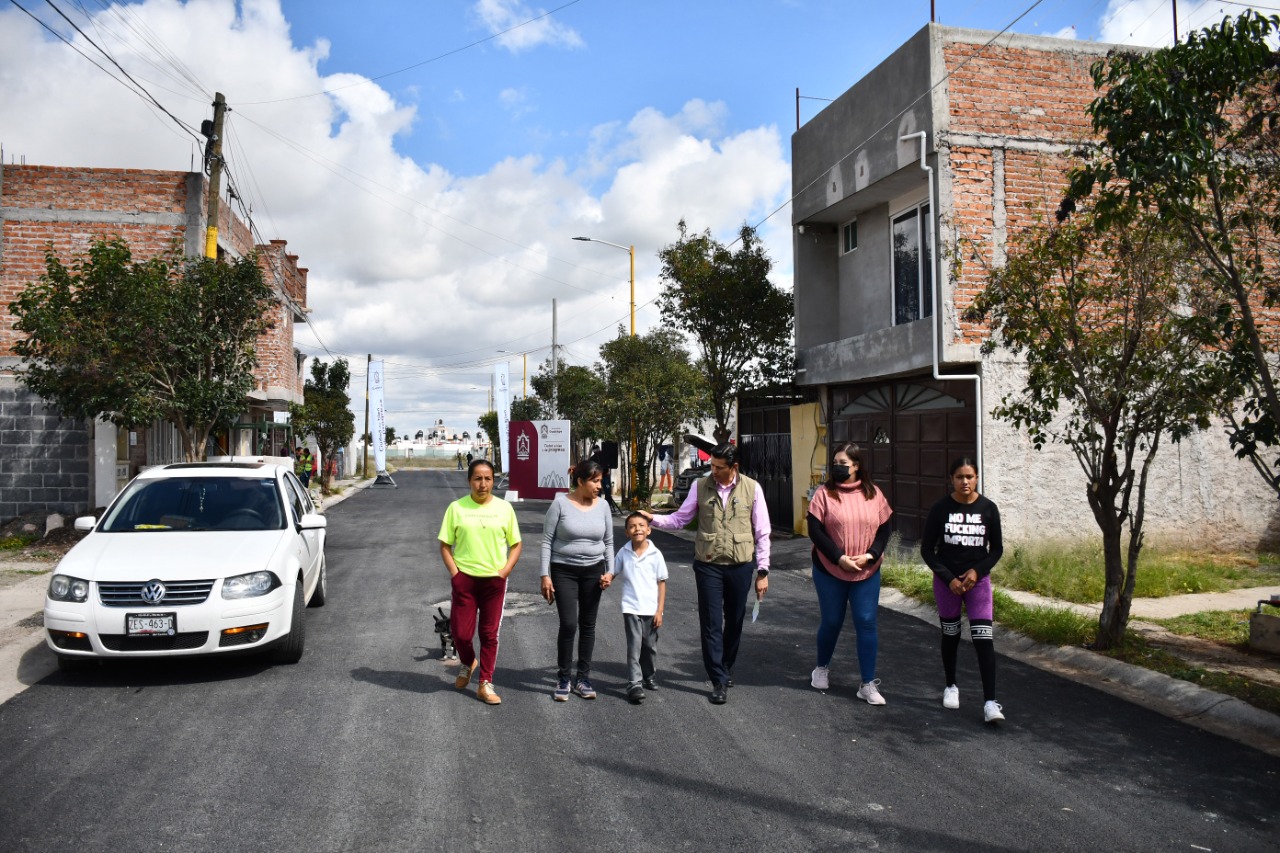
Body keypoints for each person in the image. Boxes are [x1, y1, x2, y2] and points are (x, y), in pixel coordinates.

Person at [643, 443, 770, 705]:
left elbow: (762, 532)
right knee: (711, 623)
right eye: (711, 465)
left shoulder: (752, 488)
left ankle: (726, 666)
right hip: (708, 564)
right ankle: (718, 680)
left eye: (718, 467)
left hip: (740, 565)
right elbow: (680, 519)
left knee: (734, 620)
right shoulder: (700, 486)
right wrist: (652, 518)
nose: (713, 471)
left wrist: (763, 570)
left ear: (734, 467)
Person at [806, 442, 893, 704]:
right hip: (830, 568)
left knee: (866, 622)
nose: (837, 468)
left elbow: (884, 529)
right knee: (832, 621)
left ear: (856, 466)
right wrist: (839, 558)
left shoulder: (874, 494)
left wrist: (870, 555)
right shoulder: (823, 494)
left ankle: (867, 684)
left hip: (866, 571)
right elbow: (815, 530)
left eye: (843, 464)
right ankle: (821, 667)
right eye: (835, 463)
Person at [920, 456, 1005, 723]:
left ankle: (990, 702)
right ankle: (951, 686)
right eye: (959, 477)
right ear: (952, 479)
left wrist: (977, 571)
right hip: (948, 584)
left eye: (969, 476)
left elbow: (997, 549)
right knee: (951, 635)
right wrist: (948, 578)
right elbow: (927, 550)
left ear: (977, 477)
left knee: (983, 640)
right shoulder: (940, 509)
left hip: (977, 583)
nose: (964, 481)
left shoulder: (988, 509)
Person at [439, 458, 523, 705]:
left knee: (489, 633)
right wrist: (456, 574)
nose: (483, 484)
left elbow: (516, 544)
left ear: (493, 481)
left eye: (488, 478)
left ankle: (485, 683)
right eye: (478, 478)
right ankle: (468, 662)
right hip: (465, 580)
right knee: (461, 634)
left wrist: (505, 570)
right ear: (469, 481)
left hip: (493, 582)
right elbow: (445, 545)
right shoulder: (457, 508)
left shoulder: (504, 509)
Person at [540, 458, 614, 702]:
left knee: (588, 625)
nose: (599, 486)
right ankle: (564, 677)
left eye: (600, 481)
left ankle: (583, 678)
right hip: (564, 571)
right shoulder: (560, 505)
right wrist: (545, 575)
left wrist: (609, 571)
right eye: (595, 481)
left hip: (594, 571)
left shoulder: (603, 506)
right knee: (569, 624)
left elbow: (609, 543)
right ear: (580, 481)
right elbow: (547, 541)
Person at [601, 512, 668, 704]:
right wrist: (608, 578)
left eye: (641, 525)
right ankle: (634, 683)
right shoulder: (624, 552)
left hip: (651, 609)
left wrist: (659, 611)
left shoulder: (656, 554)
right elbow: (614, 570)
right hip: (630, 607)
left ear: (649, 530)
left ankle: (649, 674)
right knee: (634, 645)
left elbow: (662, 583)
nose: (637, 529)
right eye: (632, 526)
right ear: (627, 533)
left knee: (649, 646)